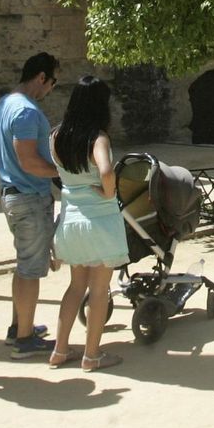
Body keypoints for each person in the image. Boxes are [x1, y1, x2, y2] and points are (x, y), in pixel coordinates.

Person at [50, 76, 129, 371]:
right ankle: (92, 355)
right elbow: (106, 171)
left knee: (74, 286)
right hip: (99, 219)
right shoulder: (98, 138)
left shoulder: (57, 136)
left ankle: (60, 349)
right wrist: (109, 191)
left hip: (71, 218)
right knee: (99, 289)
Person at [0, 52, 61, 359]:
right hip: (29, 197)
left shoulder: (4, 105)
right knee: (32, 270)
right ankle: (25, 339)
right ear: (41, 77)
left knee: (23, 265)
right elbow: (29, 161)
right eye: (53, 82)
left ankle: (19, 326)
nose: (51, 89)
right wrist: (62, 172)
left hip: (14, 194)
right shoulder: (27, 112)